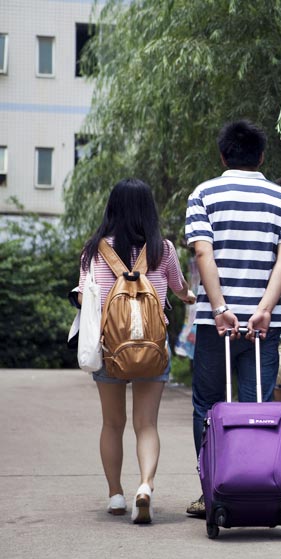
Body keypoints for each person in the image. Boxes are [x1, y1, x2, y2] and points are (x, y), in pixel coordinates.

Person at [184, 119, 281, 517]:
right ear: (261, 156)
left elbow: (203, 254)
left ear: (223, 155)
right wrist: (265, 310)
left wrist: (219, 309)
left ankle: (212, 490)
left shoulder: (203, 194)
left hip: (214, 323)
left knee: (208, 404)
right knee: (257, 405)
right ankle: (257, 487)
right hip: (263, 326)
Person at [78, 178, 196, 524]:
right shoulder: (164, 249)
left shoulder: (94, 250)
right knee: (147, 425)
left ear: (111, 208)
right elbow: (179, 289)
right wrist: (187, 296)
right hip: (152, 347)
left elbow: (85, 297)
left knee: (112, 423)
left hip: (110, 348)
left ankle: (116, 495)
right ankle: (144, 486)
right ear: (149, 210)